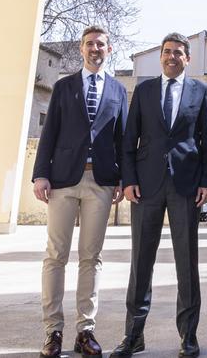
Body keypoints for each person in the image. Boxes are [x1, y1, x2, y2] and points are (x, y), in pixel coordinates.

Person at [113, 32, 207, 358]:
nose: (172, 57)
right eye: (167, 52)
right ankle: (133, 336)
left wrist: (206, 182)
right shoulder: (143, 90)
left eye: (178, 53)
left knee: (187, 263)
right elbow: (130, 140)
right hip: (146, 186)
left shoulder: (201, 91)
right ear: (161, 56)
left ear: (188, 58)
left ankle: (188, 336)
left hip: (186, 186)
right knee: (141, 262)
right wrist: (128, 179)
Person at [32, 26, 129, 358]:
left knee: (91, 257)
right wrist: (41, 174)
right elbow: (50, 134)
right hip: (62, 181)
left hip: (100, 182)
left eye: (100, 44)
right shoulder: (63, 87)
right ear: (81, 48)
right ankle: (53, 332)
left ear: (109, 49)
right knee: (56, 255)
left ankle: (85, 331)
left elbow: (122, 140)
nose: (94, 49)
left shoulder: (118, 91)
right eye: (89, 44)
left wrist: (121, 178)